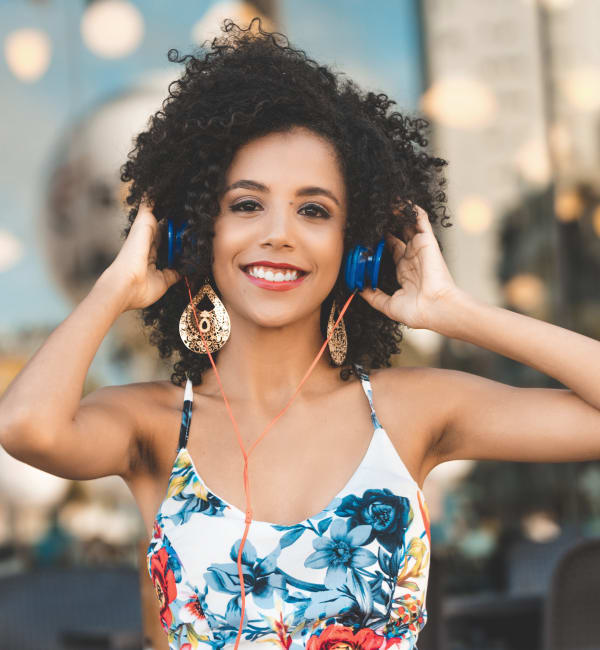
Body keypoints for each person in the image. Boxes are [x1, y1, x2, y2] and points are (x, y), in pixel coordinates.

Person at [1, 16, 600, 650]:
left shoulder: (409, 411)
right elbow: (24, 427)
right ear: (195, 232)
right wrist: (116, 287)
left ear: (357, 245)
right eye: (246, 204)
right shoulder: (150, 425)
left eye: (313, 209)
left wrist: (456, 311)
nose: (279, 232)